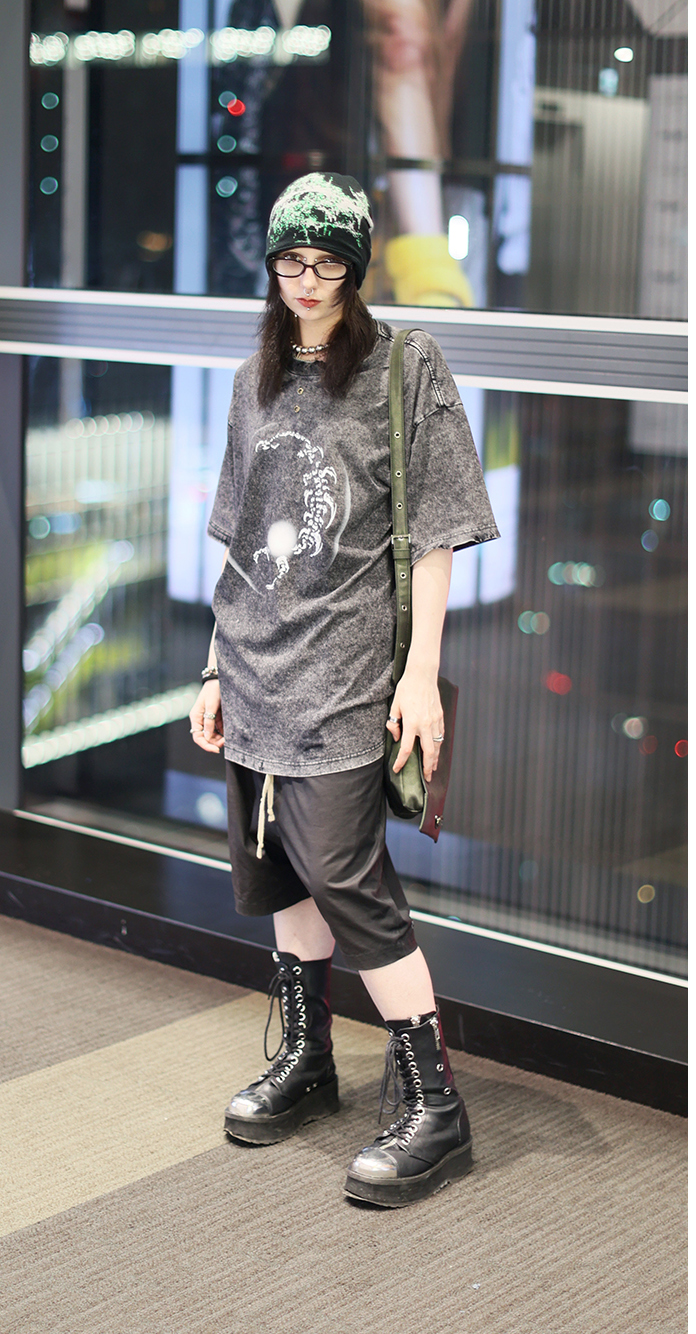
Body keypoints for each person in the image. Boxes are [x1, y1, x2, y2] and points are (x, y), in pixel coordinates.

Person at [189, 171, 498, 1207]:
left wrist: (421, 676)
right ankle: (309, 1061)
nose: (307, 280)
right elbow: (239, 538)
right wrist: (213, 664)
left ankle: (435, 1106)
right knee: (280, 873)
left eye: (326, 262)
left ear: (355, 270)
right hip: (255, 665)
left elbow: (439, 531)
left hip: (349, 673)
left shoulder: (405, 366)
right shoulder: (256, 378)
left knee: (348, 879)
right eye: (291, 260)